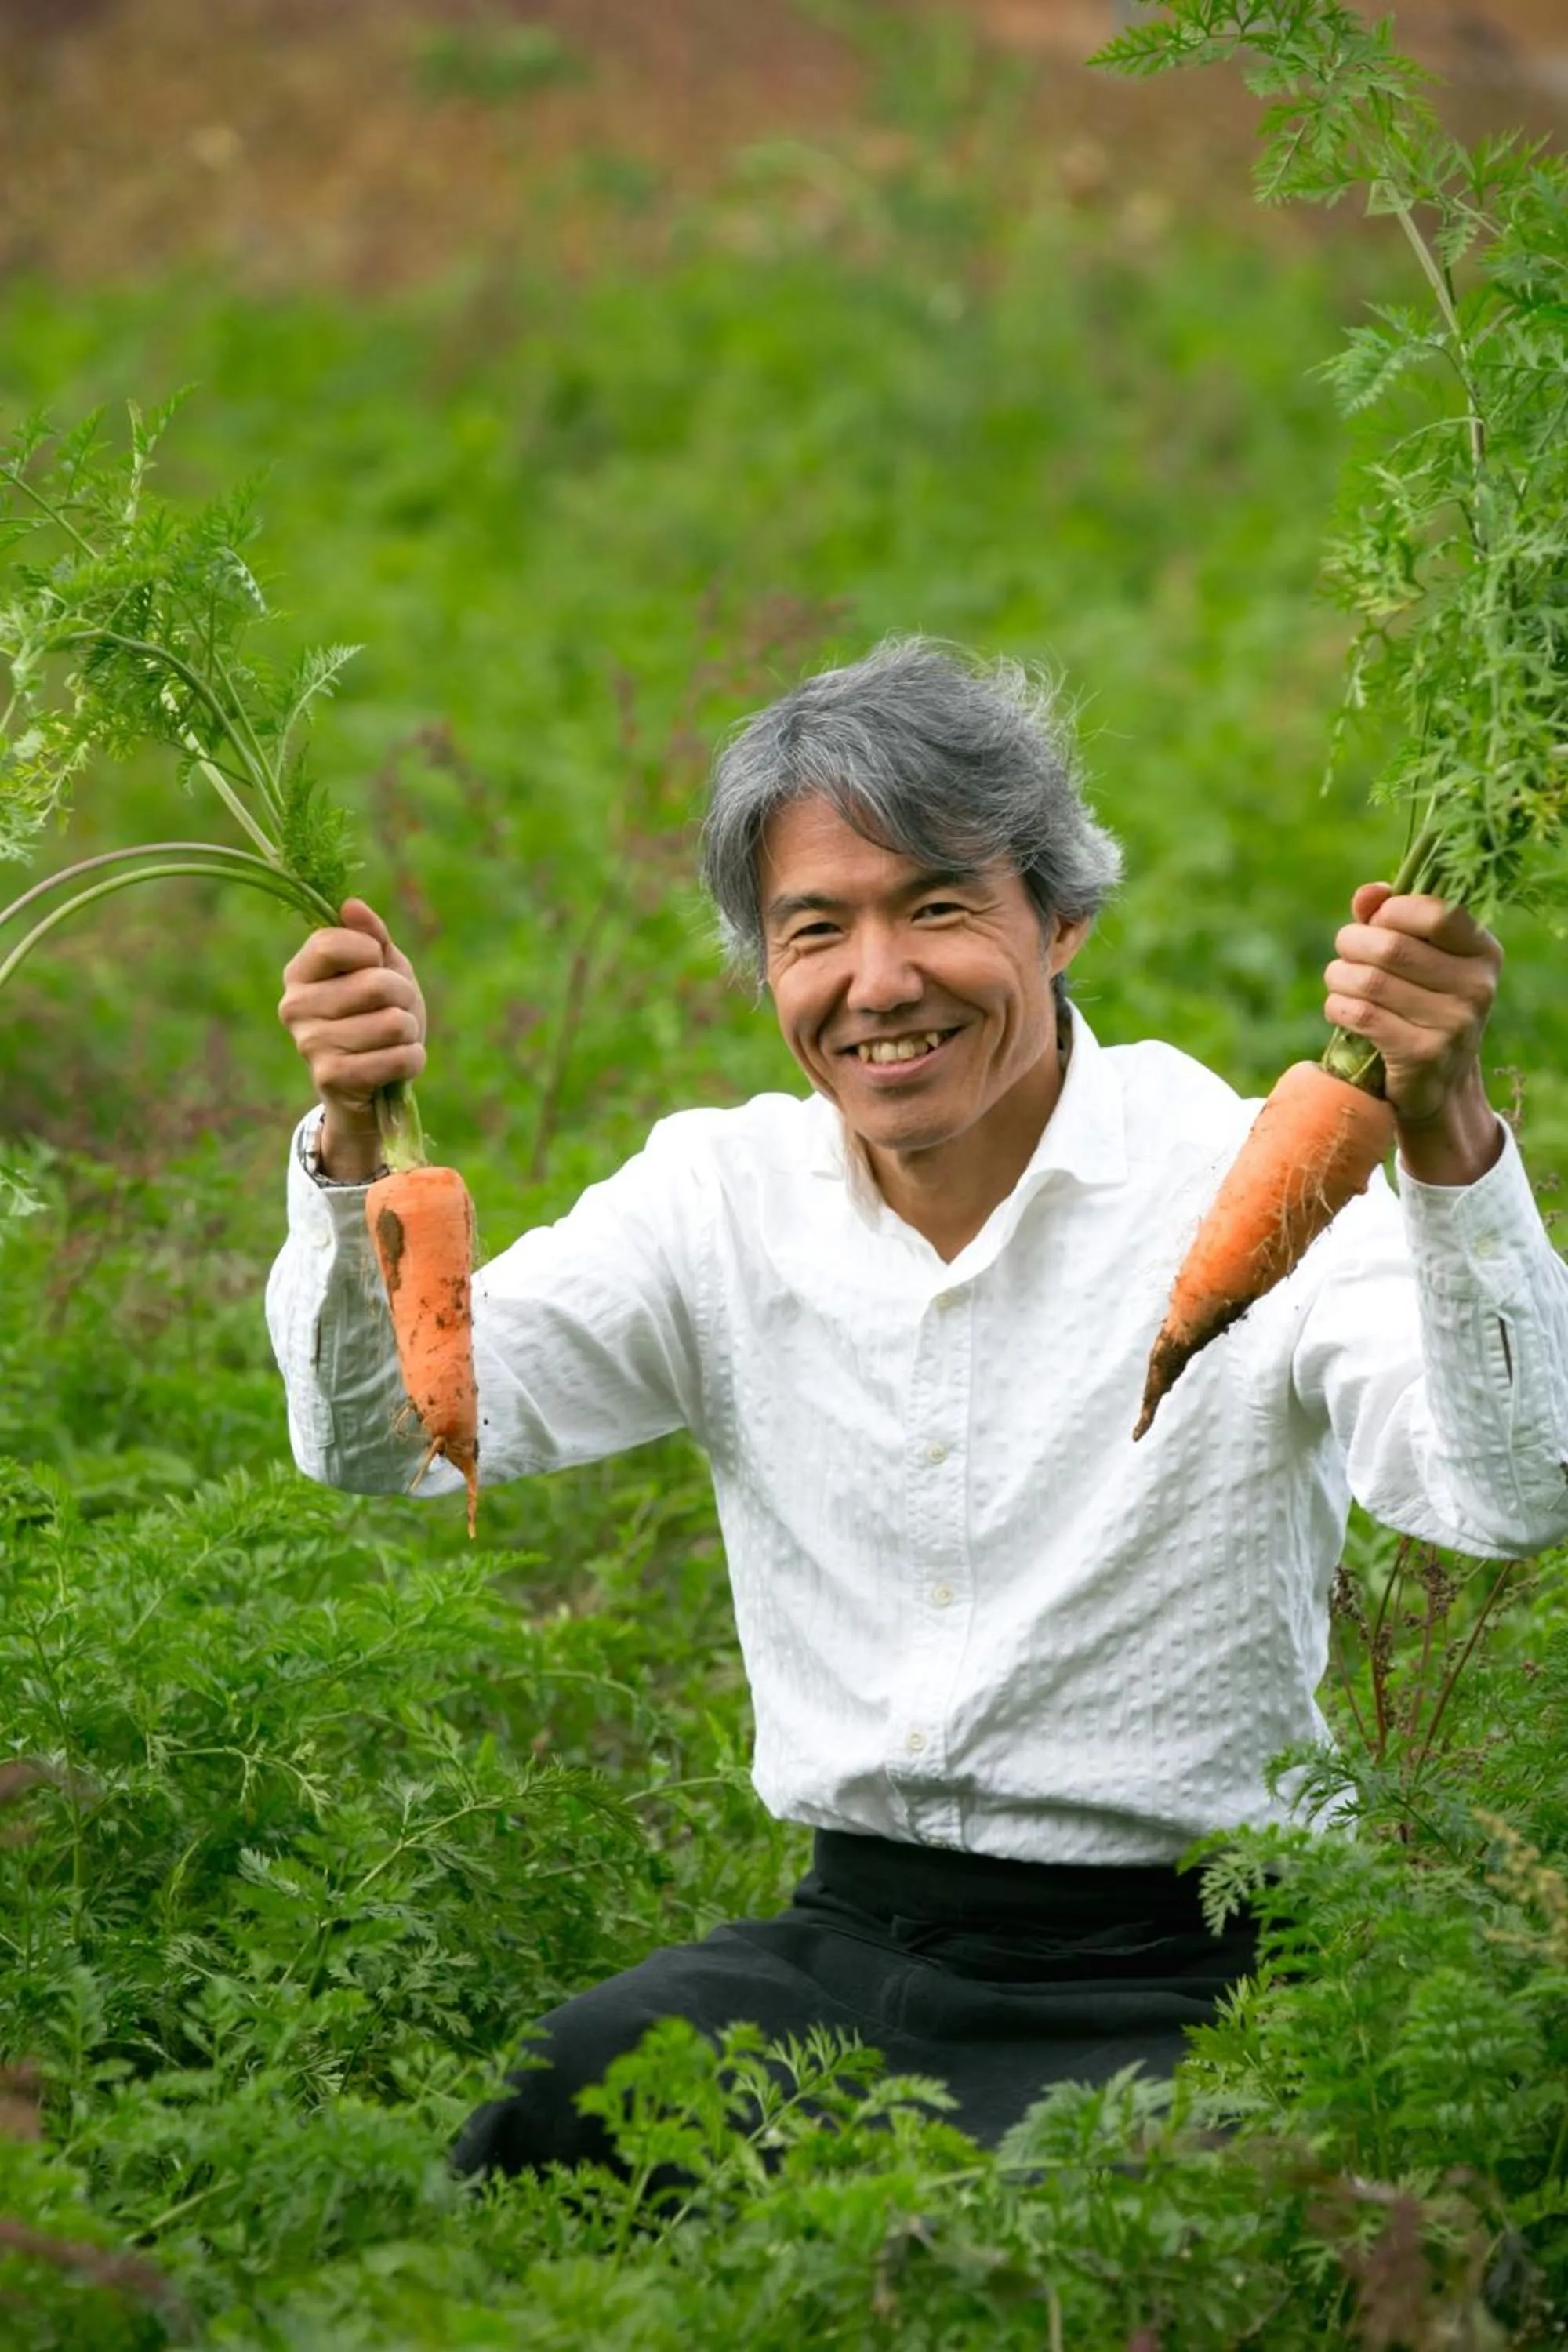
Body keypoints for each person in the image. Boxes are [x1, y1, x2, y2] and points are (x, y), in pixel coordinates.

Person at [267, 637, 1568, 2176]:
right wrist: (355, 1148)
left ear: (1061, 915)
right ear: (765, 968)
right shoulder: (718, 1199)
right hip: (845, 1952)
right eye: (815, 930)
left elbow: (1514, 1492)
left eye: (937, 908)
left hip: (1193, 1978)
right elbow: (394, 1440)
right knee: (558, 2106)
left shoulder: (1255, 1179)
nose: (877, 983)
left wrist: (1445, 1132)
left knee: (1077, 2218)